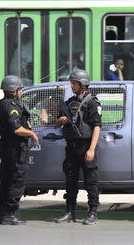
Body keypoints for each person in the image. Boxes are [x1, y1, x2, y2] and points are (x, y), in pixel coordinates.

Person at [55, 69, 102, 225]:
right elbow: (56, 123)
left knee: (91, 181)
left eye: (74, 83)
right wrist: (62, 120)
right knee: (70, 180)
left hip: (86, 146)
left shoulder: (92, 103)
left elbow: (96, 127)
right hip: (72, 147)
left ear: (82, 85)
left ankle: (93, 213)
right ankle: (70, 212)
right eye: (71, 83)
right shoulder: (69, 103)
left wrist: (91, 149)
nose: (72, 86)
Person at [0, 75, 39, 225]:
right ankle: (9, 215)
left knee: (6, 180)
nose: (21, 92)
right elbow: (17, 129)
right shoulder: (11, 106)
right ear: (13, 90)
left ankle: (1, 215)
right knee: (16, 181)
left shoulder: (3, 104)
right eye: (20, 89)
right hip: (15, 149)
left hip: (8, 148)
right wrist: (31, 133)